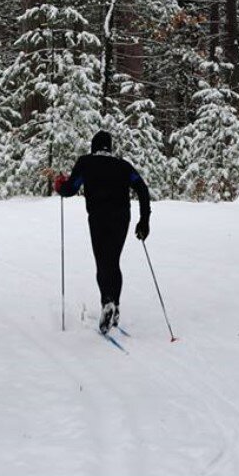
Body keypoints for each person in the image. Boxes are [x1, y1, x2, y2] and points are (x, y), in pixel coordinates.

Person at [54, 130, 151, 334]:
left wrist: (59, 185)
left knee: (103, 262)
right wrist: (144, 220)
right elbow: (142, 189)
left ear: (93, 146)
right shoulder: (123, 166)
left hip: (98, 218)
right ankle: (114, 305)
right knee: (113, 260)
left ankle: (107, 302)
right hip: (121, 218)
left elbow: (71, 189)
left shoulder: (86, 163)